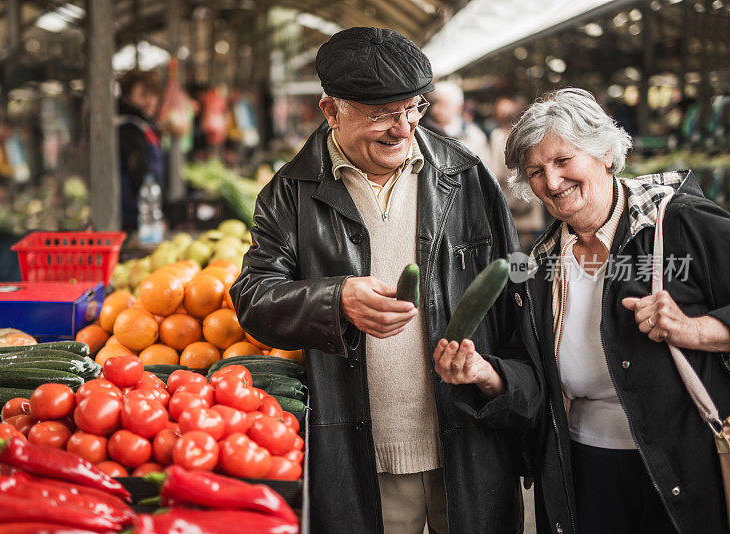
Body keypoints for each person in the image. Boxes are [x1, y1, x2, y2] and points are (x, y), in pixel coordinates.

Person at [229, 27, 541, 534]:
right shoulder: (291, 193)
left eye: (413, 108)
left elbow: (516, 307)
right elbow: (253, 299)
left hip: (466, 446)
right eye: (381, 114)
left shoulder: (464, 177)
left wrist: (500, 383)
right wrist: (334, 299)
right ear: (331, 111)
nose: (404, 129)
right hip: (358, 461)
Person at [503, 88, 730, 534]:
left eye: (563, 160)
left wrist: (698, 329)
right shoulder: (538, 260)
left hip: (686, 467)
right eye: (535, 171)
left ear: (605, 151)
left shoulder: (681, 224)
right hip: (585, 467)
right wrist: (489, 373)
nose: (551, 182)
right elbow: (527, 358)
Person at [489, 96, 544, 252]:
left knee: (514, 252)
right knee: (529, 252)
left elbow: (496, 171)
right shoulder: (529, 135)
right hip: (528, 202)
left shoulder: (498, 136)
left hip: (511, 204)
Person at [117, 69, 165, 232]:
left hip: (145, 211)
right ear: (127, 97)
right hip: (133, 216)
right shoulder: (128, 128)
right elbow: (138, 172)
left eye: (154, 95)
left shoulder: (144, 125)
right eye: (143, 95)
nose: (151, 101)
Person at [420, 81, 492, 169]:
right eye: (434, 103)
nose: (436, 109)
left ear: (459, 107)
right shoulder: (423, 131)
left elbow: (485, 170)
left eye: (443, 105)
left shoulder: (474, 136)